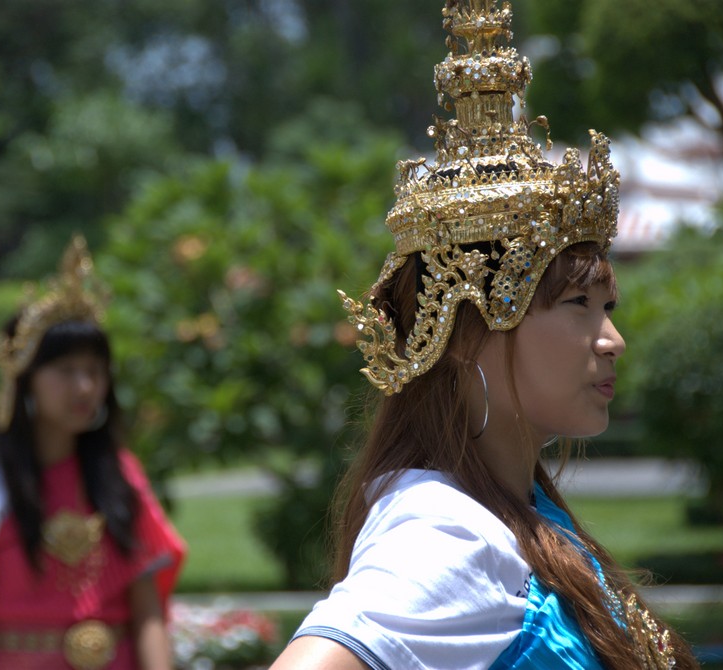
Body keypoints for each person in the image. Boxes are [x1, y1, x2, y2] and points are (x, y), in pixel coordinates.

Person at [271, 2, 699, 669]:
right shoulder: (445, 533)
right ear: (463, 329)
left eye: (608, 304)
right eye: (577, 303)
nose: (611, 338)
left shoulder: (512, 509)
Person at [0, 236, 186, 670]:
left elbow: (148, 615)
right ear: (25, 381)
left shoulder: (120, 477)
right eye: (66, 371)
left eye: (94, 371)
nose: (85, 387)